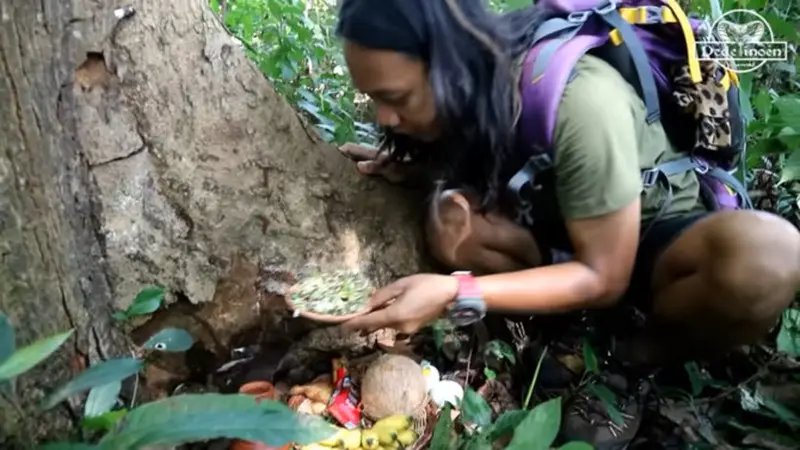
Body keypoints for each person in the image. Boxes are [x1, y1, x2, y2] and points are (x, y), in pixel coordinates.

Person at [334, 0, 800, 447]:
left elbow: (607, 277)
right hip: (559, 222)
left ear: (448, 65)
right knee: (451, 224)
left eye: (394, 98)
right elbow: (489, 150)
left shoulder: (582, 98)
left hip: (651, 236)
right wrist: (413, 166)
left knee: (770, 258)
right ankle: (574, 324)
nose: (383, 117)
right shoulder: (474, 78)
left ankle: (630, 363)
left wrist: (455, 294)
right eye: (374, 98)